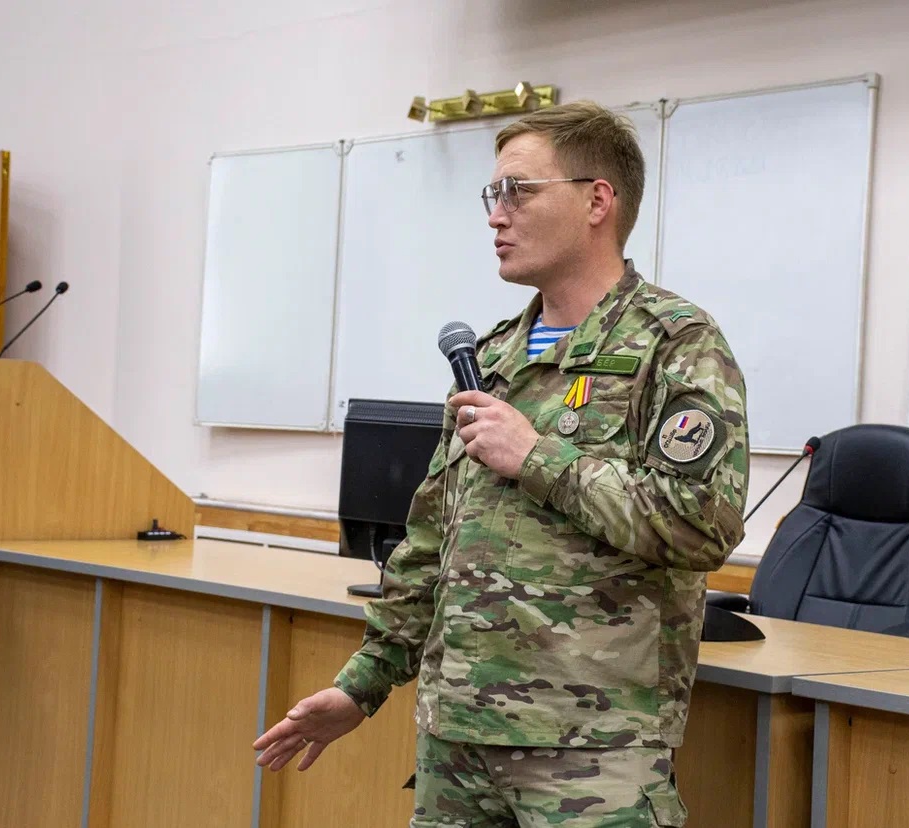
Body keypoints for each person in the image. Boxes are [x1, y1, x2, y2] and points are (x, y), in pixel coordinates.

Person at [254, 100, 750, 827]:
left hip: (590, 752)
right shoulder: (490, 357)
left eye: (518, 191)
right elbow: (430, 545)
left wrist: (539, 457)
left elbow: (702, 525)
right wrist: (361, 686)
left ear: (597, 202)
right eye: (493, 194)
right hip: (456, 742)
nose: (496, 215)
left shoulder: (675, 344)